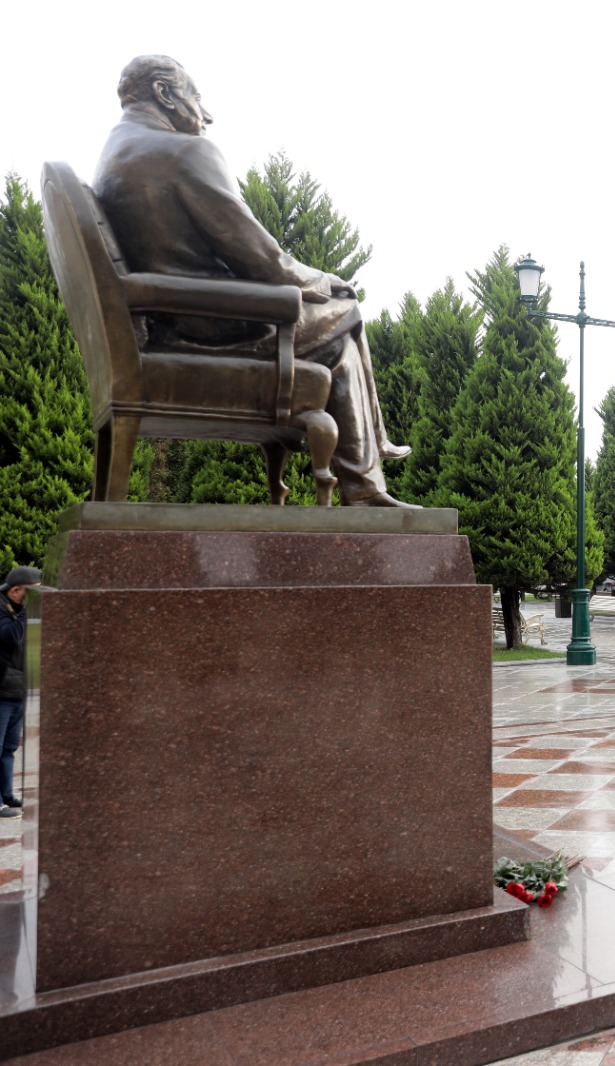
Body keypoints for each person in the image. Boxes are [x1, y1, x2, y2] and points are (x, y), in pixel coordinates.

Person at [93, 56, 411, 506]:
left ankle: (367, 475)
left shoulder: (113, 158)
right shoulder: (184, 152)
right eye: (196, 97)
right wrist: (323, 280)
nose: (206, 114)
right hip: (214, 325)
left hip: (167, 322)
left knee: (336, 318)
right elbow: (263, 260)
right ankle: (364, 485)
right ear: (165, 94)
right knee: (345, 311)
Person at [0, 567, 44, 819]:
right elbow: (10, 638)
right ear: (16, 590)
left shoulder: (18, 609)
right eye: (32, 594)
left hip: (19, 690)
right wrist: (29, 610)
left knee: (8, 748)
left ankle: (6, 795)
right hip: (2, 690)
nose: (36, 599)